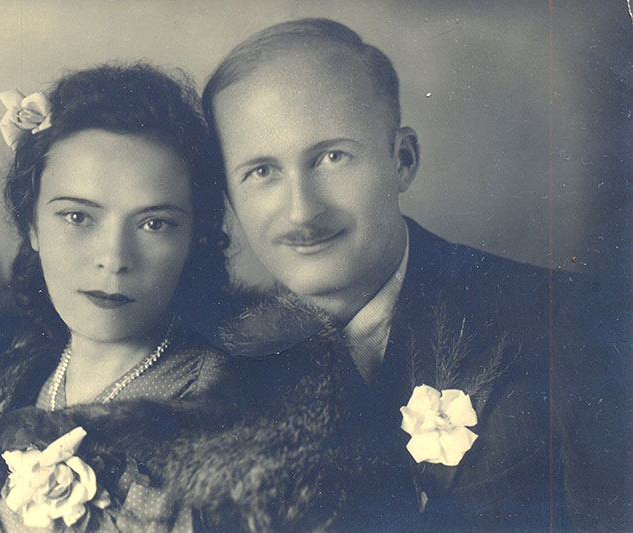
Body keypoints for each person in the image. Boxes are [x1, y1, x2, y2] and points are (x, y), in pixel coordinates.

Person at [199, 18, 632, 531]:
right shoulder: (215, 366)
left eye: (332, 157)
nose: (301, 211)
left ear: (402, 160)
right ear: (229, 195)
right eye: (262, 172)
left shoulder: (577, 323)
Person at [0, 62, 236, 532]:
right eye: (78, 218)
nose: (114, 258)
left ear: (194, 240)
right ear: (32, 227)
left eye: (155, 223)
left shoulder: (228, 410)